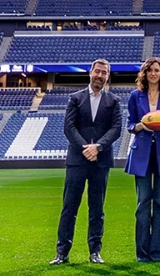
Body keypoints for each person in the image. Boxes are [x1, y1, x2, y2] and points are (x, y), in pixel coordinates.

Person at [51, 59, 122, 266]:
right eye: (97, 71)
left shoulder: (114, 101)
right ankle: (62, 252)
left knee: (97, 209)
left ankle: (95, 252)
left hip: (101, 161)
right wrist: (86, 148)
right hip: (77, 160)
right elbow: (69, 127)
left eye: (104, 72)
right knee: (69, 207)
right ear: (90, 72)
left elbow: (116, 129)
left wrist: (98, 147)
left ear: (108, 76)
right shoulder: (75, 98)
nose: (100, 75)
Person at [124, 56, 160, 262]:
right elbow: (130, 124)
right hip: (142, 153)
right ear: (145, 73)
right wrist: (140, 126)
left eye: (157, 70)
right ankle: (142, 253)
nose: (153, 73)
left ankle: (157, 252)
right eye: (150, 70)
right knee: (142, 204)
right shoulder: (135, 95)